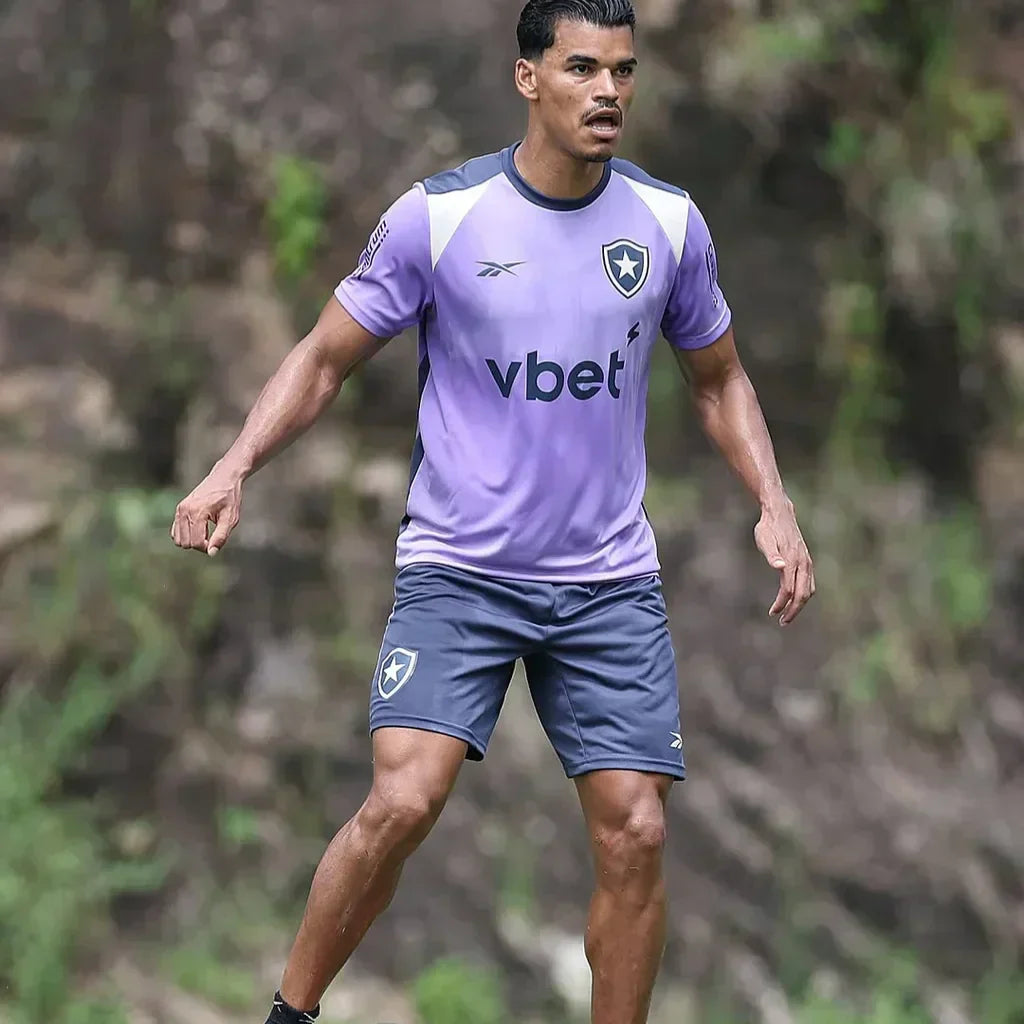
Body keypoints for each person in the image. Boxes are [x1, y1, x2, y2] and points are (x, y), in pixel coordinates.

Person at [171, 0, 815, 1020]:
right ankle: (288, 1015)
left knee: (636, 829)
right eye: (581, 69)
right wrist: (233, 462)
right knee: (401, 801)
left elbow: (717, 378)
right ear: (528, 79)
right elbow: (327, 358)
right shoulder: (441, 218)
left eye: (623, 71)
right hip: (460, 568)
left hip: (605, 581)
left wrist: (772, 501)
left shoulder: (666, 225)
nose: (607, 92)